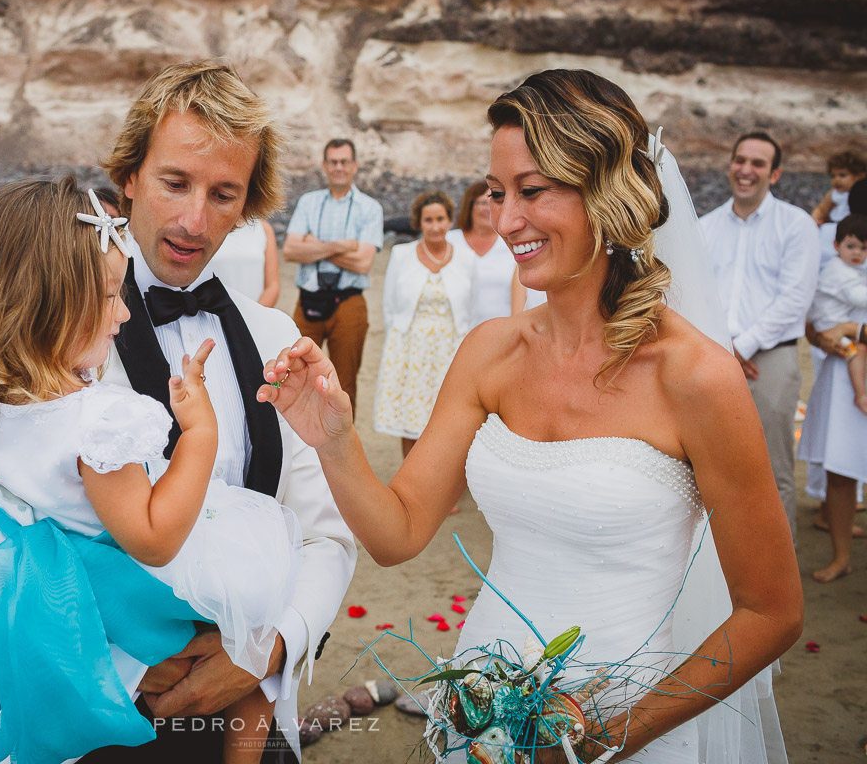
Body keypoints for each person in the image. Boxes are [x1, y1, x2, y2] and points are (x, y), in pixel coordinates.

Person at [258, 69, 801, 762]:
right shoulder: (490, 351)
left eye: (533, 191)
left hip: (628, 729)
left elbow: (771, 612)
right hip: (481, 710)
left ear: (606, 191)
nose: (505, 220)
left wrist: (596, 739)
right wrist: (334, 438)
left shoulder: (695, 377)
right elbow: (398, 535)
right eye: (496, 192)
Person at [0, 61, 355, 764]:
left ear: (247, 208)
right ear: (129, 177)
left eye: (224, 194)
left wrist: (268, 649)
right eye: (175, 183)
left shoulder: (277, 344)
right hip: (81, 721)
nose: (196, 220)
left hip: (240, 707)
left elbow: (323, 537)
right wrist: (126, 657)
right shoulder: (37, 339)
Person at [698, 132, 820, 541]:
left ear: (775, 173)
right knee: (710, 466)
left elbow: (794, 299)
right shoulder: (705, 226)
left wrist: (741, 346)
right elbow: (694, 294)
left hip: (768, 361)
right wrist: (722, 348)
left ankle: (780, 579)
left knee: (772, 470)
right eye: (740, 160)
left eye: (758, 163)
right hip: (712, 357)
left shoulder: (797, 224)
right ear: (730, 164)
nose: (746, 170)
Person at [282, 138, 383, 414]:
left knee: (345, 384)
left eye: (344, 161)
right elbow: (290, 251)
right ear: (324, 166)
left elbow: (363, 263)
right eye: (333, 162)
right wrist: (343, 245)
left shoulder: (369, 208)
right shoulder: (308, 202)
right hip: (308, 300)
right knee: (296, 374)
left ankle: (342, 449)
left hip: (349, 303)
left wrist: (314, 246)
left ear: (355, 165)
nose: (339, 167)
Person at [374, 190, 475, 457]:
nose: (435, 226)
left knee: (448, 420)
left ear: (450, 221)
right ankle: (410, 486)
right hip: (409, 347)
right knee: (410, 419)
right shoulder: (401, 255)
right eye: (428, 220)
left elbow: (472, 307)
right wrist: (396, 344)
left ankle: (443, 492)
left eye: (440, 219)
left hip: (450, 349)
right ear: (418, 223)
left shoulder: (467, 259)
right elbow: (389, 305)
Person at [798, 213, 867, 582]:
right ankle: (841, 555)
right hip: (845, 368)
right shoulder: (840, 273)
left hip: (853, 349)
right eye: (852, 246)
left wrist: (853, 328)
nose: (858, 253)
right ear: (838, 244)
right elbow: (813, 325)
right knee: (841, 468)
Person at [448, 181, 516, 326]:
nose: (488, 209)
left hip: (499, 332)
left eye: (494, 203)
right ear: (470, 205)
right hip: (454, 332)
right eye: (483, 203)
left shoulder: (513, 244)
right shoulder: (449, 241)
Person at [208, 216, 280, 307]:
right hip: (213, 314)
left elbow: (272, 286)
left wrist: (253, 316)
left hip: (255, 316)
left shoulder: (264, 229)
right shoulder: (206, 227)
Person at [811, 150, 866, 227]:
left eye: (842, 175)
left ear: (860, 176)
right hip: (834, 224)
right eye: (833, 176)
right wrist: (815, 218)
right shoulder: (833, 194)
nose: (836, 179)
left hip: (855, 227)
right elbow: (821, 209)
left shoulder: (862, 194)